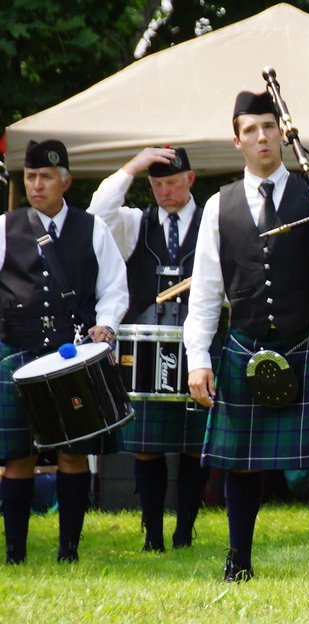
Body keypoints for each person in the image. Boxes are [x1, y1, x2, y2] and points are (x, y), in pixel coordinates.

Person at [183, 91, 309, 582]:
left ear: (282, 133)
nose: (262, 137)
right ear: (237, 140)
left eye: (269, 126)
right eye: (250, 129)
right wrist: (197, 358)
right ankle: (238, 560)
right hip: (246, 342)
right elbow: (206, 290)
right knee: (241, 462)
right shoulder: (217, 206)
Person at [0, 139, 128, 564]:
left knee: (75, 453)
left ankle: (68, 551)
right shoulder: (5, 226)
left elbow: (113, 288)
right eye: (31, 177)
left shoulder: (93, 228)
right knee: (17, 456)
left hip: (72, 357)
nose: (37, 185)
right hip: (15, 353)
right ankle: (15, 553)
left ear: (66, 181)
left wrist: (106, 324)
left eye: (46, 177)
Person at [88, 146, 210, 552]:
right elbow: (96, 214)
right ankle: (153, 534)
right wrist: (132, 167)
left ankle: (184, 531)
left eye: (172, 183)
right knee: (146, 448)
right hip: (145, 350)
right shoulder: (133, 223)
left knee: (195, 446)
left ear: (190, 180)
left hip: (198, 345)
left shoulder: (212, 221)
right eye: (156, 185)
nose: (164, 192)